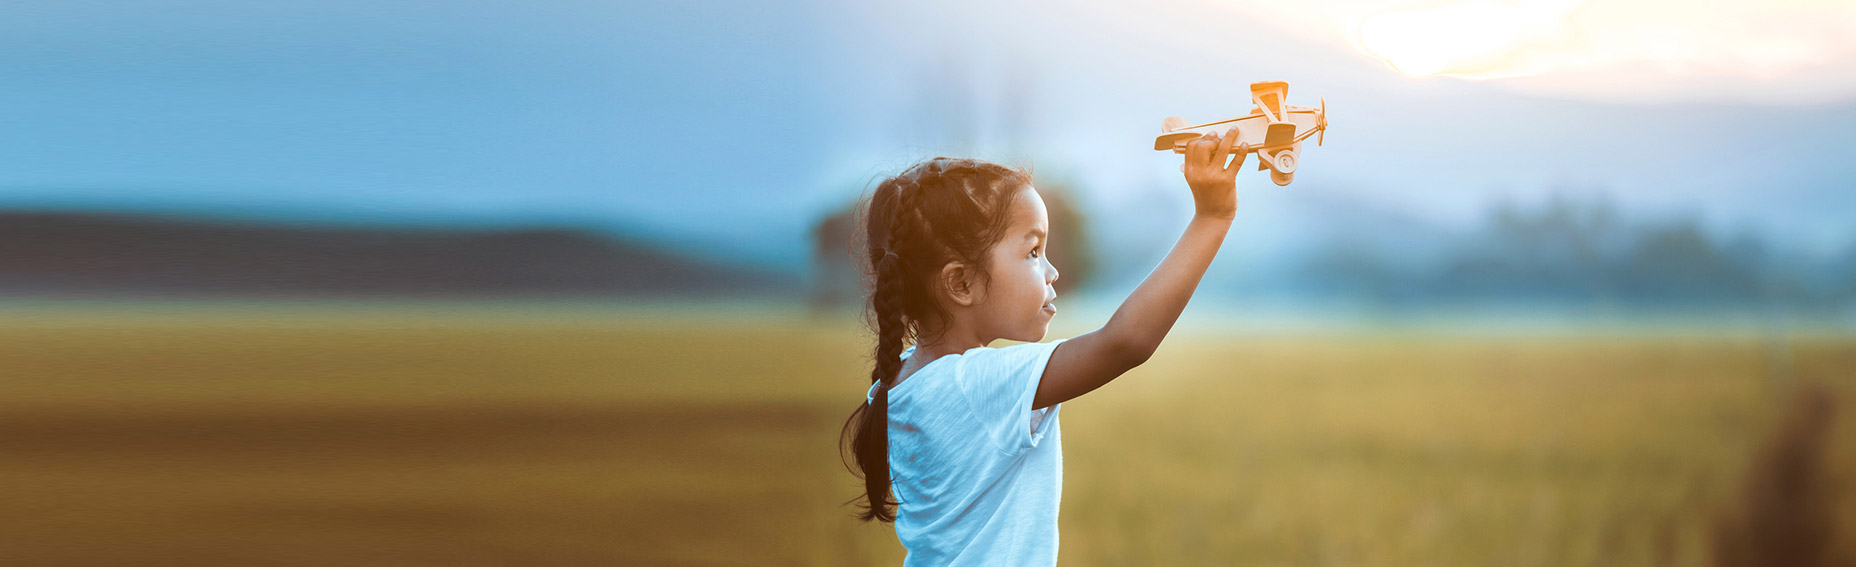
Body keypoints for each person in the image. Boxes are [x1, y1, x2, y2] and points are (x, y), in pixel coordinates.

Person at [842, 129, 1247, 565]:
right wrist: (1212, 218)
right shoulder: (974, 384)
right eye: (1033, 251)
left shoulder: (901, 380)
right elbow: (1125, 343)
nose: (1051, 271)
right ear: (961, 283)